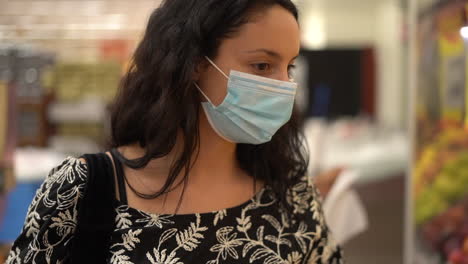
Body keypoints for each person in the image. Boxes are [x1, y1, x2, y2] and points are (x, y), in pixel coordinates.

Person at [6, 0, 344, 263]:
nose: (284, 87)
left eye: (289, 67)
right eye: (262, 65)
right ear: (194, 61)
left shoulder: (292, 197)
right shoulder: (81, 189)